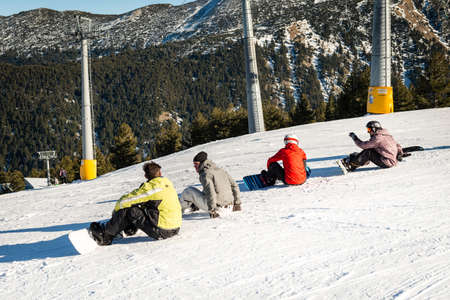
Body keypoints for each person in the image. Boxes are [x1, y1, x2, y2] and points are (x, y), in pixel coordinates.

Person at [88, 162, 182, 245]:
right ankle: (129, 228)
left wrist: (116, 213)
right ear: (160, 173)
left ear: (145, 176)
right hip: (175, 228)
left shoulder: (152, 188)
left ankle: (105, 236)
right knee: (142, 205)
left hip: (162, 231)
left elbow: (124, 201)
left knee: (129, 209)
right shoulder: (167, 183)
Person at [179, 151, 241, 218]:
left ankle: (176, 211)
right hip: (230, 207)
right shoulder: (221, 170)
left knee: (188, 191)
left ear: (202, 163)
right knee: (204, 191)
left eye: (196, 164)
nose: (195, 167)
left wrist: (212, 210)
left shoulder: (205, 174)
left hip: (218, 209)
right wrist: (237, 203)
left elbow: (211, 193)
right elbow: (234, 185)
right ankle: (194, 206)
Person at [339, 120, 403, 172]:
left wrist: (355, 138)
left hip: (386, 162)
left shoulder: (378, 138)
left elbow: (364, 145)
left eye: (369, 130)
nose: (368, 132)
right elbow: (397, 145)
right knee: (370, 150)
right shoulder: (387, 135)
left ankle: (351, 164)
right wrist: (400, 153)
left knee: (368, 152)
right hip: (390, 160)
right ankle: (357, 161)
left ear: (374, 129)